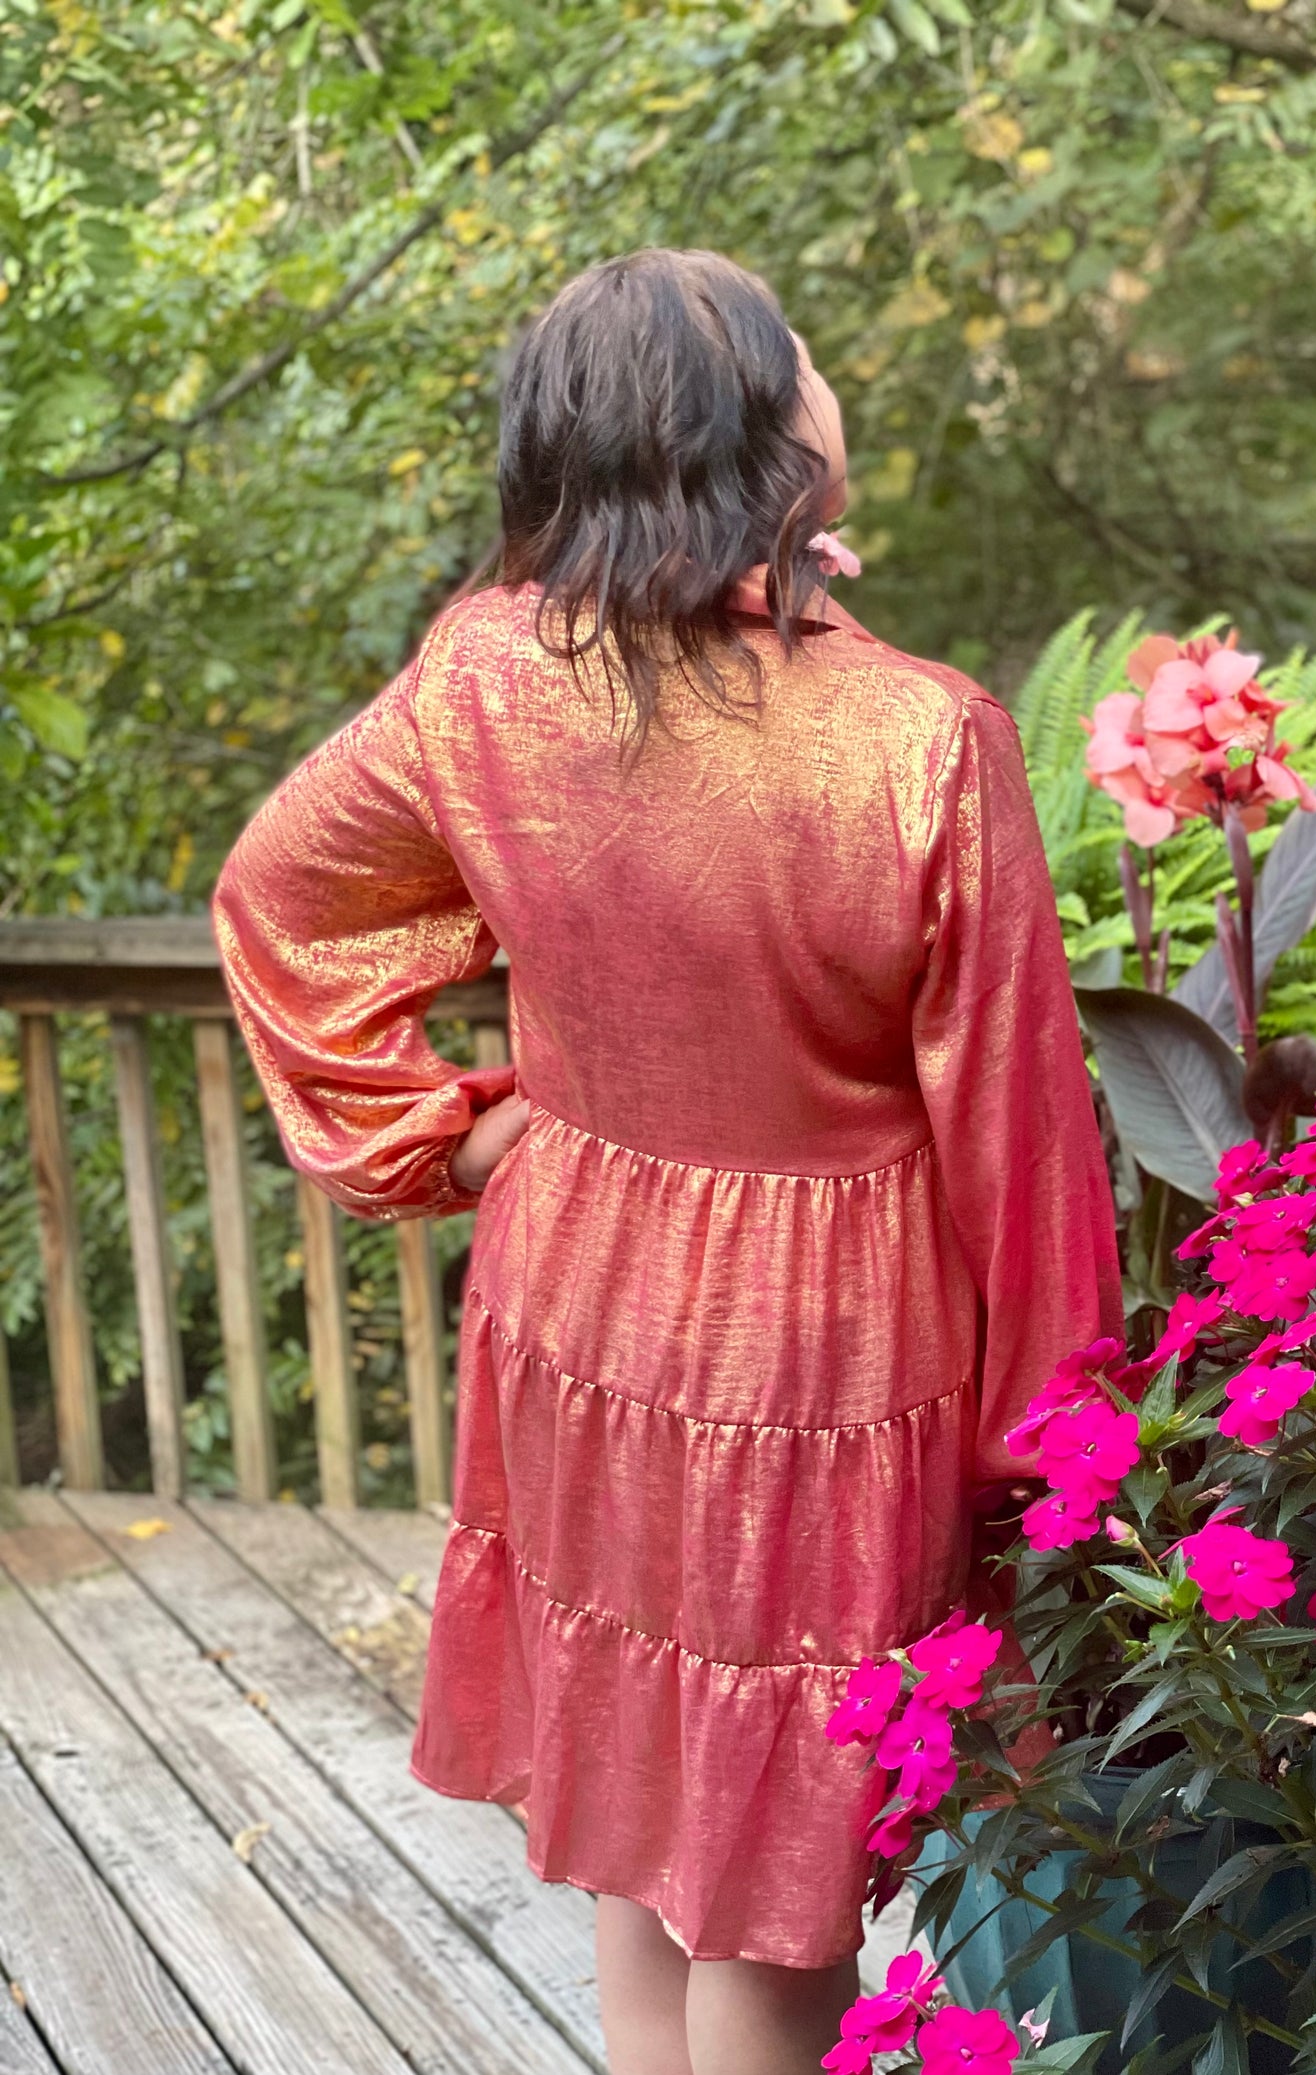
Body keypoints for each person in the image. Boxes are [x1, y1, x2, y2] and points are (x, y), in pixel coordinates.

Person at [212, 247, 1122, 2075]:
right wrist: (1061, 1451)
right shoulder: (919, 737)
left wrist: (451, 1141)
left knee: (651, 1802)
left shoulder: (483, 676)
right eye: (809, 361)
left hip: (582, 1285)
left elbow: (276, 901)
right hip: (821, 1341)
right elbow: (1019, 1140)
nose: (830, 385)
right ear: (760, 434)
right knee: (781, 1892)